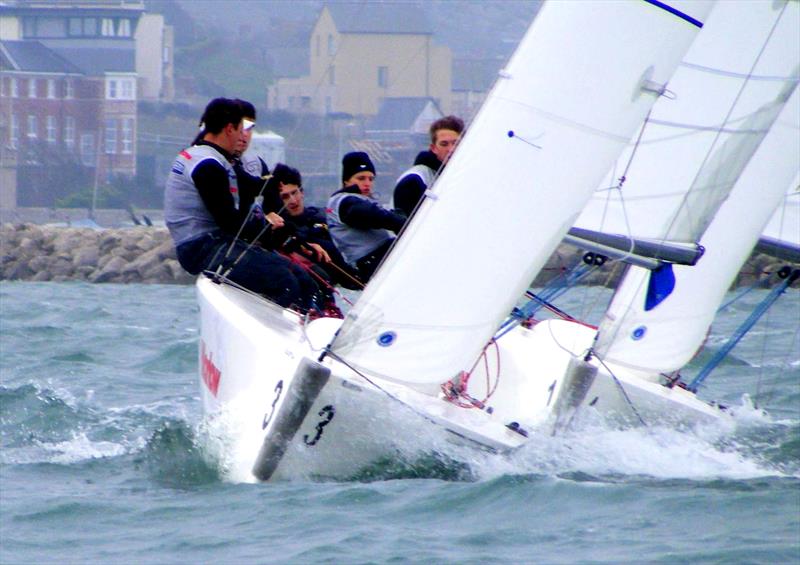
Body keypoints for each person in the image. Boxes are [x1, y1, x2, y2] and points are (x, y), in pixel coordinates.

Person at [164, 97, 319, 312]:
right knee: (284, 279)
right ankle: (286, 333)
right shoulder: (208, 165)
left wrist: (292, 236)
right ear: (229, 129)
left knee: (302, 277)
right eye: (240, 130)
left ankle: (313, 322)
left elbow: (252, 186)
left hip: (217, 242)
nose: (242, 138)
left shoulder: (212, 157)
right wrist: (267, 226)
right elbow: (229, 222)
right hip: (200, 248)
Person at [275, 166, 363, 290]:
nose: (293, 200)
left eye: (294, 193)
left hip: (354, 278)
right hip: (320, 284)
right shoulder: (279, 230)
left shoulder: (321, 216)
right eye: (285, 197)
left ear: (302, 192)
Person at [327, 151, 406, 283]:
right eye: (361, 178)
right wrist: (403, 223)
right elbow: (368, 215)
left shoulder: (360, 200)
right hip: (372, 262)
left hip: (382, 257)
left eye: (371, 179)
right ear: (346, 181)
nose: (367, 183)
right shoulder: (344, 201)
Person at [392, 115, 465, 219]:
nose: (451, 149)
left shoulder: (466, 176)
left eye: (456, 143)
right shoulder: (413, 181)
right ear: (433, 148)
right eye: (444, 144)